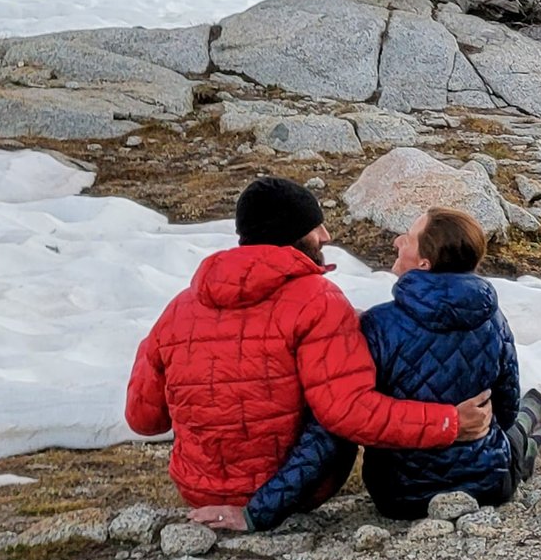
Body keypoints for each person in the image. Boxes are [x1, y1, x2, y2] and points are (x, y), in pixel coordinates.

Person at [125, 178, 492, 530]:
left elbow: (144, 420)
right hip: (296, 493)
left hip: (198, 491)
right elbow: (348, 415)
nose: (326, 236)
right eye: (316, 226)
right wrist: (449, 423)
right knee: (333, 411)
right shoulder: (318, 300)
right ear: (290, 233)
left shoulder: (179, 308)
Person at [245, 206, 541, 523]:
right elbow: (503, 410)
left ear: (424, 263)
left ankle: (529, 437)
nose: (396, 241)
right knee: (516, 424)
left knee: (519, 428)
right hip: (488, 484)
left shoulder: (378, 325)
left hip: (399, 494)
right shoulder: (494, 320)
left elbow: (348, 416)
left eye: (406, 239)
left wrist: (258, 511)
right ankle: (528, 441)